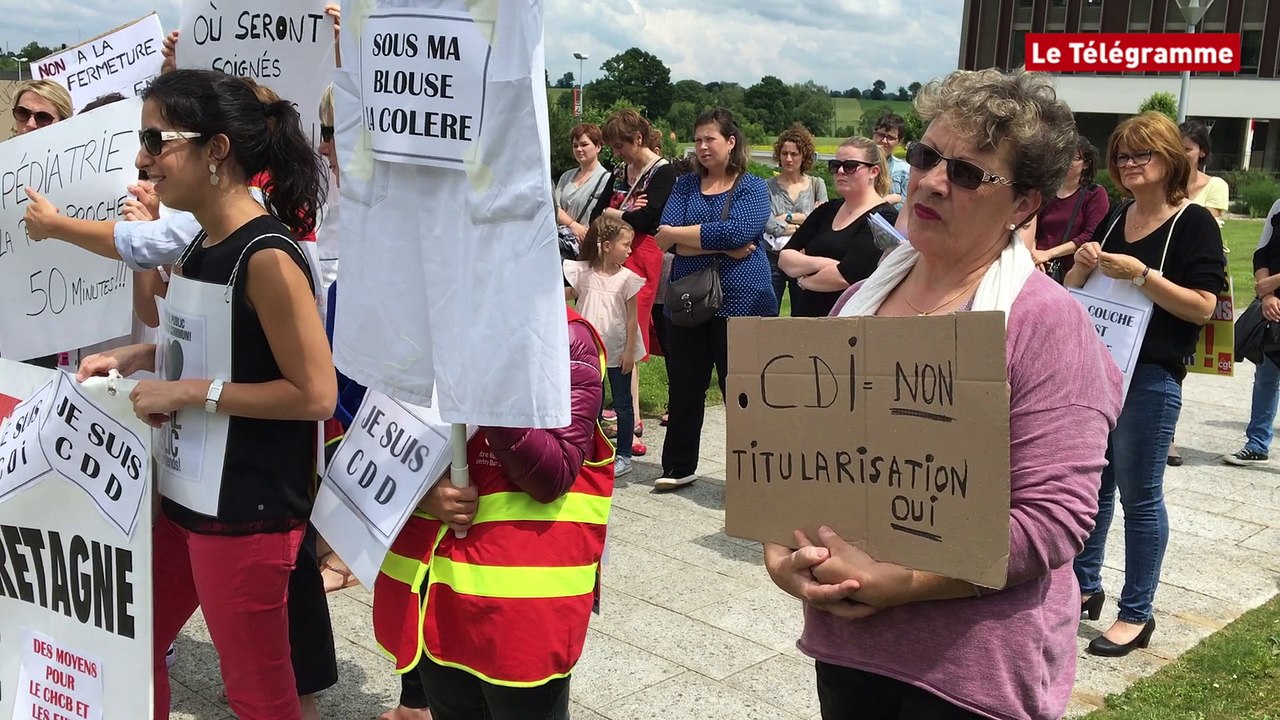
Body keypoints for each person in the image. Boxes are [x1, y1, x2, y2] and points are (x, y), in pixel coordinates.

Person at [764, 68, 1122, 720]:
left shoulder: (1046, 324)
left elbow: (1055, 519)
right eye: (927, 156)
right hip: (849, 650)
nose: (930, 180)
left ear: (1023, 204)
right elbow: (806, 465)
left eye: (966, 173)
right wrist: (782, 549)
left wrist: (909, 582)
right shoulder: (856, 302)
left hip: (972, 673)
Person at [77, 69, 335, 720]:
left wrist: (190, 391)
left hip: (244, 512)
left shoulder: (267, 255)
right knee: (129, 645)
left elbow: (315, 394)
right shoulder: (201, 241)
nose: (143, 160)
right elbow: (218, 347)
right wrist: (138, 356)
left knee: (258, 695)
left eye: (156, 140)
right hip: (185, 497)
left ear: (216, 149)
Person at [371, 306, 613, 720]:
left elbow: (553, 474)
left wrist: (485, 379)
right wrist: (424, 492)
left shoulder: (568, 337)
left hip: (519, 609)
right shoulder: (426, 328)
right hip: (435, 594)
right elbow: (383, 438)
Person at [1068, 112, 1227, 658]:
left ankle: (1136, 613)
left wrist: (1141, 274)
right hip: (1103, 368)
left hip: (1151, 376)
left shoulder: (1194, 223)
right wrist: (1081, 265)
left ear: (1170, 159)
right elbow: (1078, 287)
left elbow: (1203, 306)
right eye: (1122, 156)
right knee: (1095, 488)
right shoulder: (1117, 215)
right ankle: (1084, 586)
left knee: (1140, 497)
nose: (1130, 164)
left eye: (1142, 154)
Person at [654, 108, 775, 491]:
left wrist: (686, 237)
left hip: (742, 302)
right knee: (684, 385)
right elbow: (665, 237)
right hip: (689, 301)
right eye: (698, 140)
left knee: (741, 391)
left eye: (711, 139)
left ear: (731, 142)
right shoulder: (685, 186)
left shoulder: (753, 187)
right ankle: (678, 467)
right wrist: (724, 247)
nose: (703, 146)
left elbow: (739, 231)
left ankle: (751, 473)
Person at [591, 109, 676, 455]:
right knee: (606, 328)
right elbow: (598, 212)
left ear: (638, 139)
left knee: (631, 331)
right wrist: (627, 214)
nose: (617, 153)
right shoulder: (620, 171)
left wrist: (617, 213)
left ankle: (633, 419)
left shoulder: (663, 171)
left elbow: (651, 218)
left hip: (641, 257)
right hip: (614, 257)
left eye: (620, 146)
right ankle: (624, 414)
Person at [1166, 120, 1231, 467]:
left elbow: (1206, 220)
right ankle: (1168, 435)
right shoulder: (1166, 181)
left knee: (1181, 355)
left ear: (1201, 152)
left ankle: (1166, 432)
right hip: (1164, 270)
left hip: (1197, 273)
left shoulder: (1215, 185)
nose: (1181, 152)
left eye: (1188, 148)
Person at [779, 136, 896, 318]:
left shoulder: (884, 218)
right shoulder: (826, 210)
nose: (840, 171)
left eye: (850, 166)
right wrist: (821, 263)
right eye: (835, 165)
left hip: (849, 321)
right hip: (806, 317)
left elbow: (846, 276)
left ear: (873, 171)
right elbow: (785, 258)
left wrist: (803, 280)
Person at [564, 216, 645, 477]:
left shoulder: (627, 279)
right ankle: (590, 450)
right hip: (588, 354)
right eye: (626, 245)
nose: (630, 250)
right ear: (607, 246)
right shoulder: (584, 273)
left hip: (618, 351)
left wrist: (630, 352)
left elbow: (632, 319)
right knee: (590, 403)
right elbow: (568, 294)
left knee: (623, 404)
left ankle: (624, 454)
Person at [8, 79, 73, 369]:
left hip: (62, 313)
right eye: (23, 113)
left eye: (43, 117)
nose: (30, 124)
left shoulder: (82, 173)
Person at [1224, 198, 1280, 466]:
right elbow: (1262, 254)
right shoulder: (1278, 206)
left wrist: (1273, 283)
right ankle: (1257, 444)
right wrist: (1267, 294)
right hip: (1274, 308)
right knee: (1266, 378)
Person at [764, 124, 828, 310]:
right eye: (784, 153)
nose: (788, 159)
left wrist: (787, 217)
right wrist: (804, 222)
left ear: (804, 156)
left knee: (803, 315)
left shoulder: (817, 184)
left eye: (794, 154)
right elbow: (770, 226)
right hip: (773, 259)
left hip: (803, 259)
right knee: (769, 314)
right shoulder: (767, 186)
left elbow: (821, 222)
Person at [1032, 134, 1109, 283]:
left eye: (1073, 158)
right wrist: (1034, 254)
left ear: (1086, 164)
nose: (1066, 162)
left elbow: (1090, 235)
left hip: (1071, 273)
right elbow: (1033, 225)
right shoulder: (1047, 191)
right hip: (1038, 267)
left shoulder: (1094, 194)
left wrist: (1048, 254)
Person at [554, 123, 611, 259]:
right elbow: (554, 208)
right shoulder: (566, 176)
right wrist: (573, 225)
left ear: (598, 147)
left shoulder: (607, 179)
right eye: (575, 146)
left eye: (584, 144)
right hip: (561, 243)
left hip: (587, 246)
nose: (579, 149)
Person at [873, 113, 910, 210]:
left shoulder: (904, 170)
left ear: (900, 141)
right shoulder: (858, 165)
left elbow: (908, 206)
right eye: (881, 135)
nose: (884, 141)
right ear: (874, 134)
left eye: (890, 137)